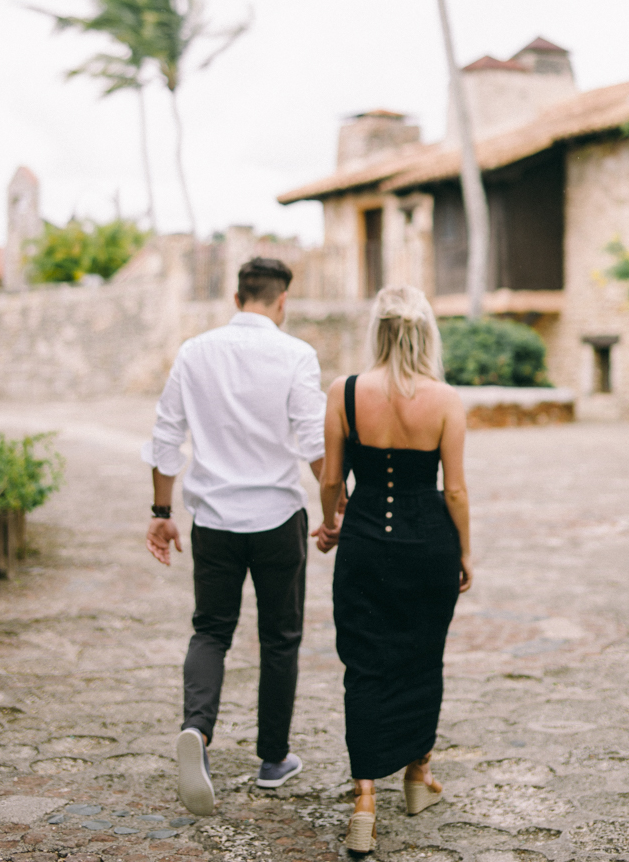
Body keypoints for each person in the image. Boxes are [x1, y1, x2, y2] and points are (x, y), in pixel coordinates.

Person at [144, 256, 331, 816]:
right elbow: (317, 444)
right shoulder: (297, 354)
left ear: (236, 297)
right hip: (278, 519)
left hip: (215, 522)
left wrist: (160, 510)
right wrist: (335, 509)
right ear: (281, 302)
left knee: (210, 631)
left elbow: (165, 435)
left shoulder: (195, 352)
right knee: (280, 639)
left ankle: (196, 733)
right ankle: (273, 759)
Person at [314, 285, 472, 853]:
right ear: (425, 332)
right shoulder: (446, 399)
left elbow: (333, 477)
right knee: (422, 658)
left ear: (376, 331)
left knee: (364, 664)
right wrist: (466, 551)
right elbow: (453, 489)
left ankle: (364, 801)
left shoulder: (344, 391)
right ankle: (417, 775)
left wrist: (330, 520)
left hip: (363, 548)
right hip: (429, 545)